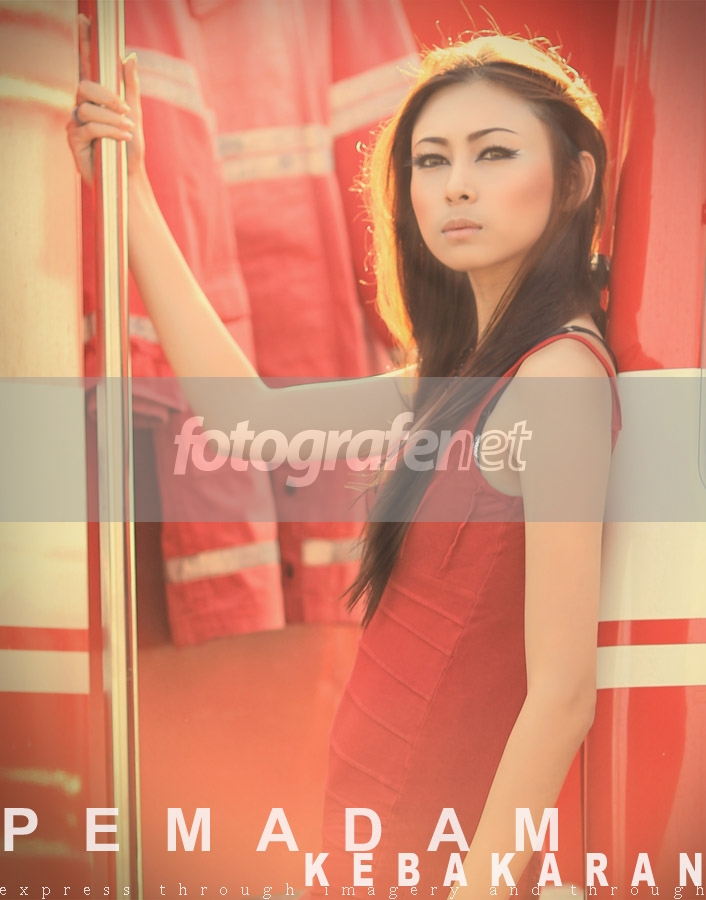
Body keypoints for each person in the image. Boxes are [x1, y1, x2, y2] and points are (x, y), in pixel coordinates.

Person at [67, 18, 621, 900]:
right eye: (431, 160)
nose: (455, 185)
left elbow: (562, 696)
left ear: (574, 179)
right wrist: (130, 189)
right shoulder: (466, 376)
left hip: (438, 865)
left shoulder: (557, 375)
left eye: (492, 153)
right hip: (371, 841)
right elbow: (247, 421)